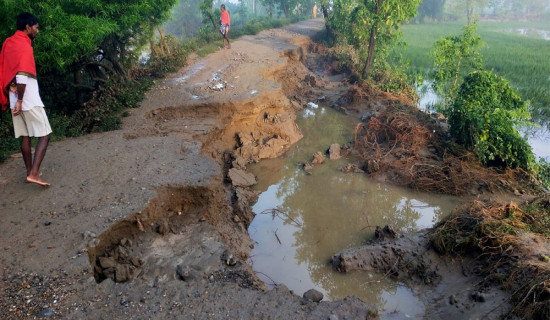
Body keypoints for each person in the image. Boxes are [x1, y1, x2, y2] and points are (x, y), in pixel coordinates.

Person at [0, 12, 52, 187]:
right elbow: (22, 75)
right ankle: (35, 173)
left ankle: (30, 172)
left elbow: (6, 71)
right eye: (36, 27)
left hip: (14, 97)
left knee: (25, 136)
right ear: (28, 27)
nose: (37, 31)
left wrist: (14, 96)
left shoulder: (9, 43)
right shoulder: (24, 46)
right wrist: (22, 100)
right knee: (45, 134)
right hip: (27, 98)